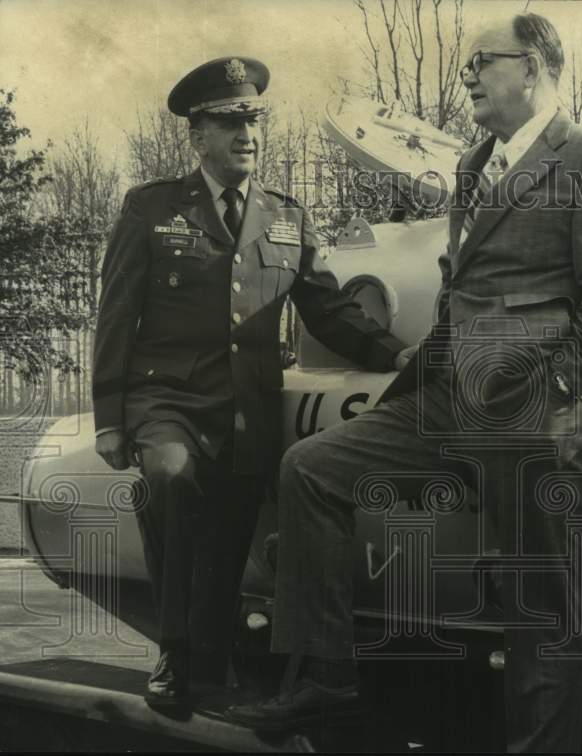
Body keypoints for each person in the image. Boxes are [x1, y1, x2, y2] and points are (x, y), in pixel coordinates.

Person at [227, 13, 582, 752]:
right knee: (312, 470)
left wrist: (558, 389)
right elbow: (463, 292)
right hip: (449, 394)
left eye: (482, 62)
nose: (467, 77)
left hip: (534, 405)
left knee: (539, 612)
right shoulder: (473, 164)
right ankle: (326, 681)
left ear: (535, 67)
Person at [91, 56, 407, 709]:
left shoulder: (287, 217)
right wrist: (108, 418)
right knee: (170, 480)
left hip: (246, 406)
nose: (248, 135)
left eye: (256, 120)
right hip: (166, 400)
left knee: (230, 533)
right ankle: (175, 654)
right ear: (197, 135)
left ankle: (207, 659)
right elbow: (117, 315)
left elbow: (328, 308)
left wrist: (397, 356)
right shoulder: (150, 208)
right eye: (231, 122)